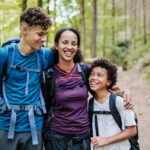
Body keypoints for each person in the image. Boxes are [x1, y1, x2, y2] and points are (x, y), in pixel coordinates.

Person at [44, 28, 133, 150]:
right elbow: (44, 104)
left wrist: (124, 93)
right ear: (57, 45)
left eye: (74, 44)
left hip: (82, 137)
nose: (69, 47)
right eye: (65, 42)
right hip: (56, 137)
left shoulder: (84, 70)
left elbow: (101, 88)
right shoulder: (49, 74)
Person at [0, 7, 54, 150]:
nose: (44, 39)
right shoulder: (4, 55)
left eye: (46, 34)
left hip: (34, 126)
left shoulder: (45, 56)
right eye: (40, 34)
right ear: (25, 30)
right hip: (5, 125)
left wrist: (107, 89)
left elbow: (69, 69)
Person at [88, 58, 137, 150]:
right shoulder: (90, 104)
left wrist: (106, 140)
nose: (94, 78)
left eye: (100, 75)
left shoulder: (119, 101)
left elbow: (132, 130)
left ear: (109, 81)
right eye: (92, 74)